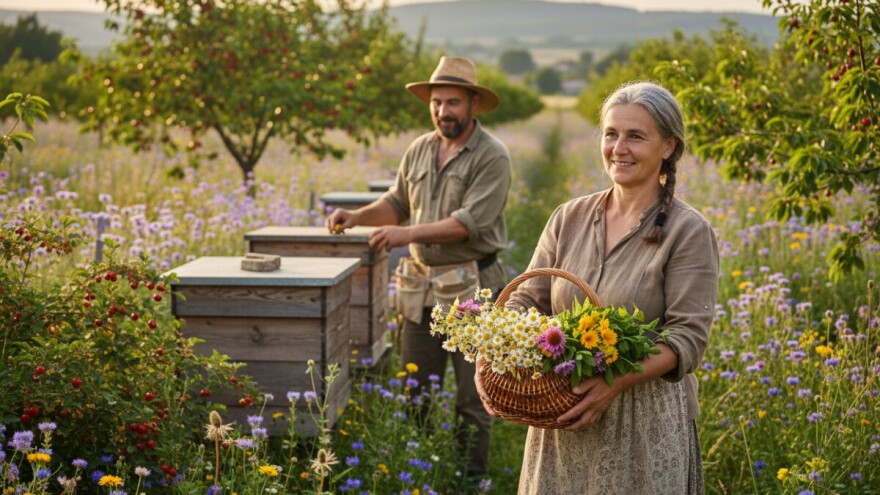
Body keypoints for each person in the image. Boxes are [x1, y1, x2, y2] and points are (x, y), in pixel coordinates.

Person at [476, 81, 719, 494]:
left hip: (643, 425)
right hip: (563, 416)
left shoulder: (687, 230)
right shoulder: (568, 217)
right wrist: (494, 348)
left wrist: (614, 383)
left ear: (668, 146)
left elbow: (687, 338)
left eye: (635, 136)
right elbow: (527, 298)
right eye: (611, 134)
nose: (619, 148)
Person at [326, 55, 511, 479]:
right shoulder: (420, 148)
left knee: (473, 395)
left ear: (473, 104)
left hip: (472, 287)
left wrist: (404, 235)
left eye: (453, 102)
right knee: (415, 391)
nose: (443, 111)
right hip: (421, 286)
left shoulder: (492, 156)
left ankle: (469, 480)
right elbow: (397, 203)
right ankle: (422, 475)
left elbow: (468, 224)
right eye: (436, 102)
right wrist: (357, 216)